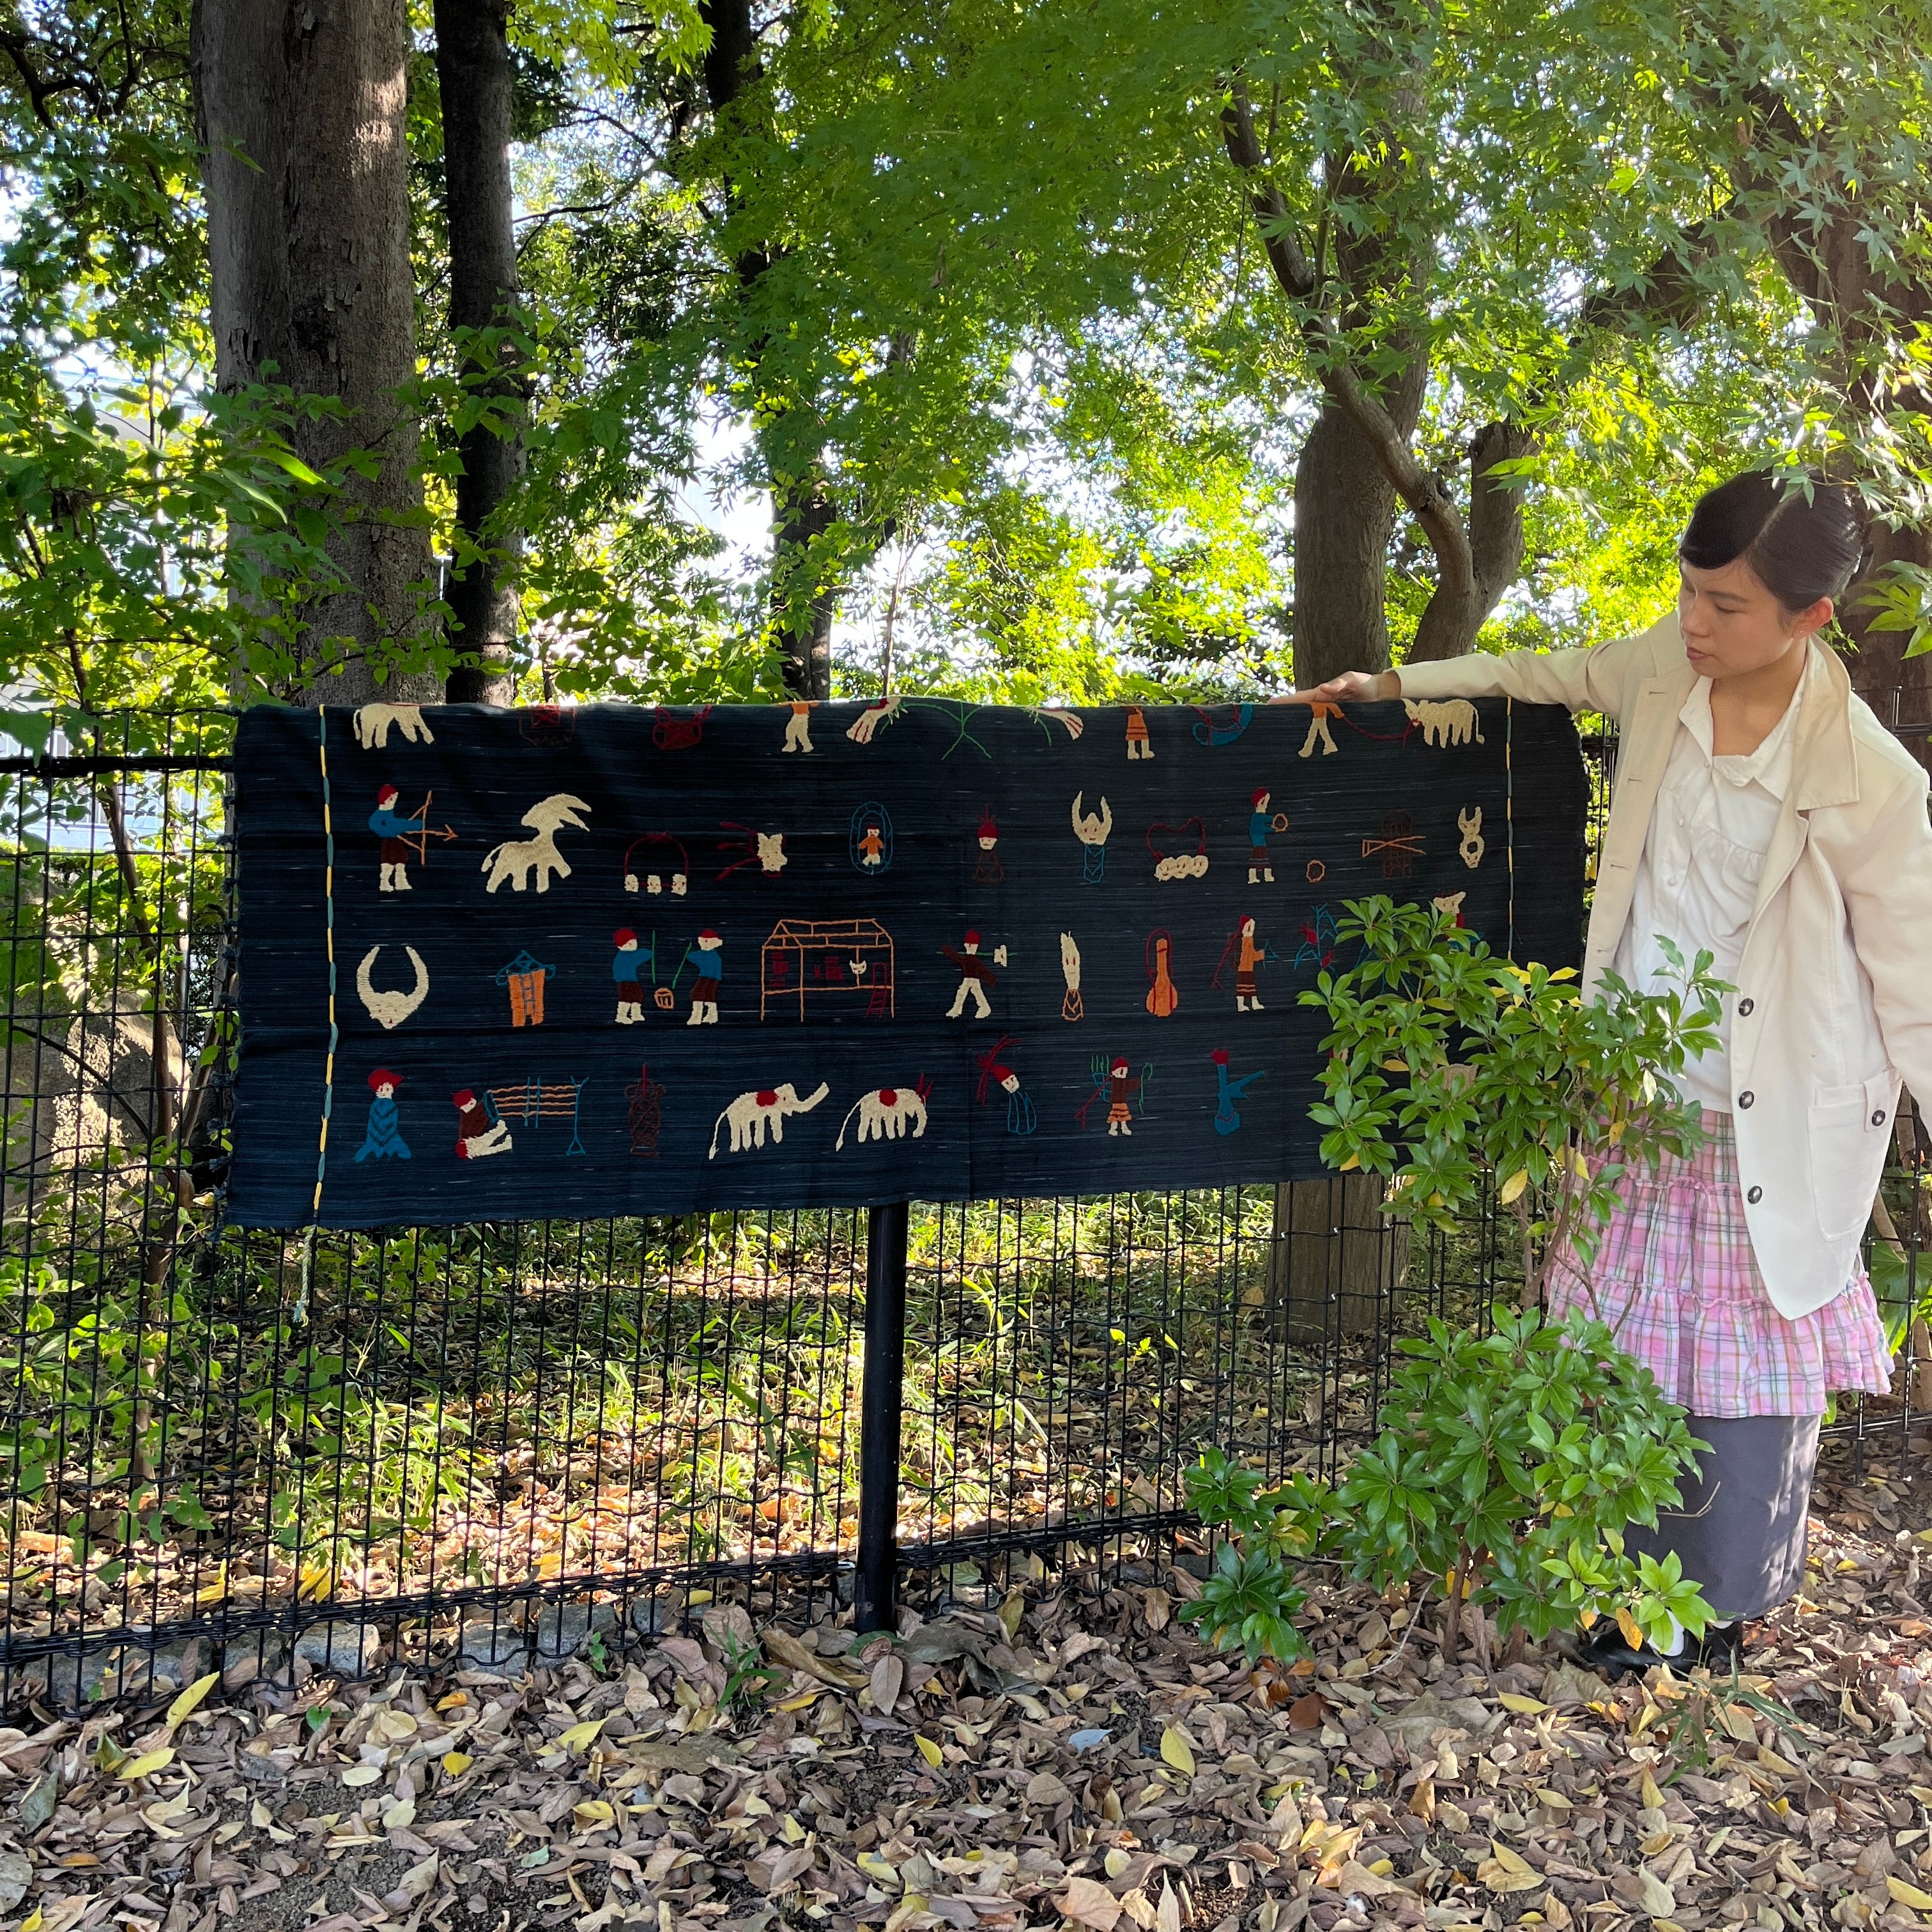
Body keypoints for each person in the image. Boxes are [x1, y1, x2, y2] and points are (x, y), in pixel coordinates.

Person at [1280, 468, 1932, 1677]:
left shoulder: (1872, 779)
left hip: (1773, 1118)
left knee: (1739, 1371)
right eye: (1687, 591)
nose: (1693, 621)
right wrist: (1390, 687)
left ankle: (1712, 1612)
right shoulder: (1663, 672)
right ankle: (1620, 1597)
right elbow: (1539, 672)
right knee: (1619, 1348)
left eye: (1725, 605)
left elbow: (1919, 982)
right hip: (1629, 1099)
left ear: (1810, 618)